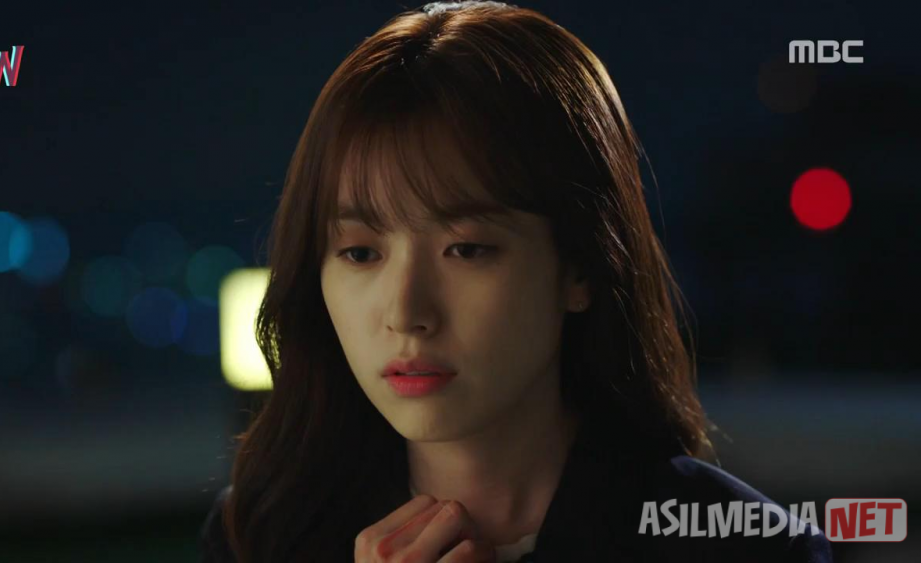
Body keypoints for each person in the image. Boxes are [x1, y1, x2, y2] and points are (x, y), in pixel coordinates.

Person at [200, 1, 833, 561]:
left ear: (580, 266)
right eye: (360, 253)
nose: (406, 312)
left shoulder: (743, 549)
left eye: (466, 249)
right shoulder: (261, 537)